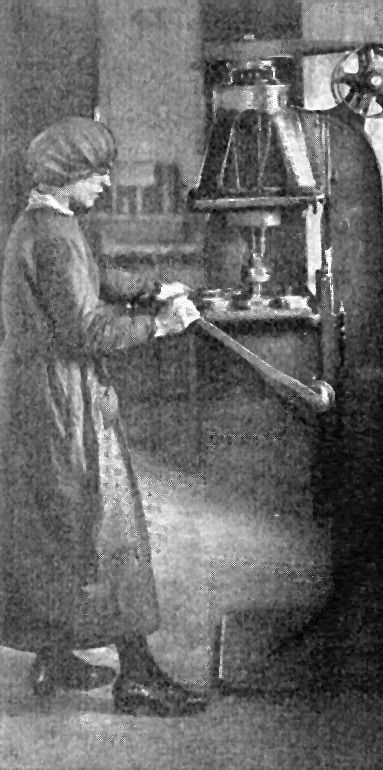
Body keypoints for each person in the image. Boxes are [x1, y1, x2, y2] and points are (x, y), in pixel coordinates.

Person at [0, 117, 207, 717]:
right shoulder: (57, 235)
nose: (107, 182)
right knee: (106, 528)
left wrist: (146, 288)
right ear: (65, 176)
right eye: (97, 173)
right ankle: (138, 678)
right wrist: (159, 324)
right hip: (65, 401)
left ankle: (53, 657)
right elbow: (84, 327)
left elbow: (87, 286)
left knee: (49, 529)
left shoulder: (41, 223)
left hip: (31, 400)